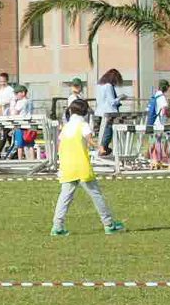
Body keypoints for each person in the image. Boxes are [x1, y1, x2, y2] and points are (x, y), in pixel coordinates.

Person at [51, 99, 125, 236]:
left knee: (64, 197)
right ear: (84, 112)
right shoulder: (83, 125)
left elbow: (59, 145)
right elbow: (90, 141)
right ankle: (109, 224)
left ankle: (57, 226)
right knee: (96, 195)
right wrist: (100, 147)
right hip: (81, 166)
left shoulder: (66, 127)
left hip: (67, 166)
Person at [94, 69, 124, 155]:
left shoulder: (99, 85)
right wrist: (120, 98)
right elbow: (112, 102)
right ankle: (103, 148)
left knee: (102, 131)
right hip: (108, 112)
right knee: (108, 131)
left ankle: (103, 147)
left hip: (99, 111)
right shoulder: (108, 86)